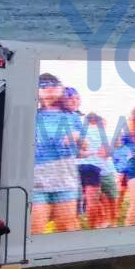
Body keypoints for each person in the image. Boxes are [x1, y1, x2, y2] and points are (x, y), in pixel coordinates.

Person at [32, 73, 80, 234]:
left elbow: (84, 146)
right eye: (43, 85)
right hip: (35, 182)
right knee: (35, 229)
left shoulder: (73, 116)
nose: (50, 88)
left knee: (67, 229)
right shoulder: (31, 114)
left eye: (54, 84)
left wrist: (76, 137)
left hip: (65, 181)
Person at [78, 113, 119, 228]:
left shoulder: (105, 136)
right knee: (100, 201)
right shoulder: (84, 134)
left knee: (108, 200)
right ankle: (102, 222)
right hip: (94, 170)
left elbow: (108, 152)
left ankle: (106, 222)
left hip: (105, 172)